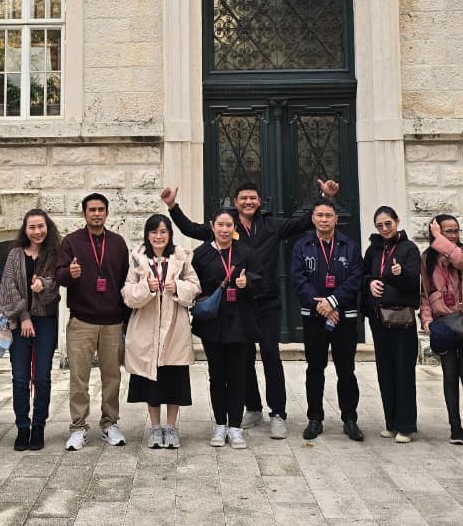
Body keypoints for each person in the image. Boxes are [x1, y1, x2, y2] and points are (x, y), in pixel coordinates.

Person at [161, 178, 340, 439]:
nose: (248, 202)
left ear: (259, 201)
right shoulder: (226, 225)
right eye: (243, 198)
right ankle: (253, 407)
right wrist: (172, 206)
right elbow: (191, 229)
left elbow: (303, 221)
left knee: (270, 354)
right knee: (242, 358)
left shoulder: (272, 225)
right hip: (238, 305)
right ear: (235, 202)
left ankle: (277, 413)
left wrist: (324, 197)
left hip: (266, 300)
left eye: (253, 198)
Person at [56, 192, 130, 451]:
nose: (96, 214)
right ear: (84, 213)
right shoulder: (72, 242)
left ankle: (110, 424)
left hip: (112, 321)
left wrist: (126, 320)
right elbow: (59, 276)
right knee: (79, 378)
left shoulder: (118, 243)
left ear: (107, 212)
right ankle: (78, 427)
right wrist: (70, 273)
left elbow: (125, 281)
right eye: (92, 210)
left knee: (112, 377)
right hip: (82, 321)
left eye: (101, 209)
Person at [122, 214, 201, 449]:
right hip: (146, 330)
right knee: (151, 383)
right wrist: (146, 287)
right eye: (154, 232)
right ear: (147, 235)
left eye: (163, 231)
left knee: (174, 380)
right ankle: (155, 427)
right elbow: (127, 294)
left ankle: (172, 427)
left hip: (174, 330)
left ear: (170, 234)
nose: (159, 236)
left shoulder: (181, 257)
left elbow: (195, 287)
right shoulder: (137, 259)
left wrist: (178, 287)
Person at [290, 198, 363, 441]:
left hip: (344, 317)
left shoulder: (350, 246)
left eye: (328, 215)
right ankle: (315, 418)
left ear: (336, 219)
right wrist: (320, 305)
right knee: (315, 368)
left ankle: (350, 418)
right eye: (319, 215)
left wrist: (332, 301)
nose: (324, 219)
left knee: (346, 370)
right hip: (313, 317)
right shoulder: (301, 246)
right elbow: (298, 279)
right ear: (312, 219)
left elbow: (355, 279)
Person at [190, 208, 262, 449]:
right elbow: (193, 284)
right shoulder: (201, 254)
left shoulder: (246, 252)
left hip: (240, 321)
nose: (224, 230)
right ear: (213, 227)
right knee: (217, 374)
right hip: (213, 322)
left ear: (235, 228)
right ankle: (220, 424)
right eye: (220, 225)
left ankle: (236, 426)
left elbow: (261, 282)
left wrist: (247, 282)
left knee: (238, 375)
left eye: (228, 225)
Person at [419, 214, 463, 446]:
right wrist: (426, 321)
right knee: (450, 376)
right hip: (444, 325)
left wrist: (439, 239)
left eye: (456, 230)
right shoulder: (427, 257)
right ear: (436, 231)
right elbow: (425, 292)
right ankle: (455, 428)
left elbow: (460, 261)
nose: (454, 235)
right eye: (448, 231)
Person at [0, 208, 63, 451]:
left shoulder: (54, 254)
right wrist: (24, 316)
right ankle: (22, 427)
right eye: (32, 227)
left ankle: (38, 426)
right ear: (25, 230)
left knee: (42, 377)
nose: (37, 231)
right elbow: (7, 287)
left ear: (48, 227)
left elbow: (56, 285)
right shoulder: (15, 254)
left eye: (41, 226)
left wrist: (43, 285)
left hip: (46, 321)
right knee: (20, 378)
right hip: (19, 322)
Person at [363, 206, 422, 443]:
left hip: (402, 319)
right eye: (380, 225)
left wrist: (401, 272)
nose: (385, 229)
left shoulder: (409, 249)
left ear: (397, 221)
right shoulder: (373, 249)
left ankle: (406, 426)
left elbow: (414, 282)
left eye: (388, 223)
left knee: (403, 371)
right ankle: (391, 423)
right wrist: (370, 284)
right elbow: (364, 275)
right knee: (385, 371)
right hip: (379, 318)